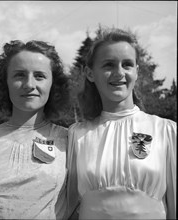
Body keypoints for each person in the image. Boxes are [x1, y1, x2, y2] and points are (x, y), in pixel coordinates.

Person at [66, 27, 176, 219]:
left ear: (137, 72)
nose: (119, 73)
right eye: (109, 65)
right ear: (90, 73)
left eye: (127, 64)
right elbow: (67, 207)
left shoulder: (166, 131)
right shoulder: (76, 135)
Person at [0, 40, 70, 219]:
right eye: (19, 75)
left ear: (53, 84)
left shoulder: (70, 141)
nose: (29, 84)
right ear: (5, 82)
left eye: (39, 76)